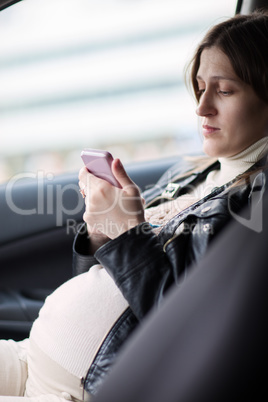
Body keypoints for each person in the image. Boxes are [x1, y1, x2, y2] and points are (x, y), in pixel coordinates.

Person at [1, 10, 268, 402]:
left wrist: (126, 234)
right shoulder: (190, 174)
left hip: (74, 391)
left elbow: (190, 334)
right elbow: (111, 284)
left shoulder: (253, 210)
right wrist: (101, 233)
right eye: (199, 87)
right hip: (34, 356)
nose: (202, 107)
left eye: (224, 91)